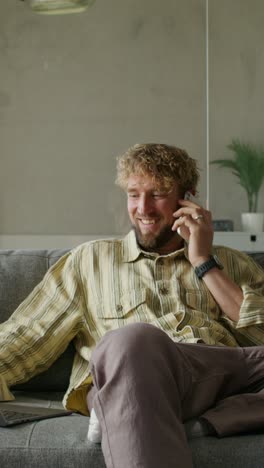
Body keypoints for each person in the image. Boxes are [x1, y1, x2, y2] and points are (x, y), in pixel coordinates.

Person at [1, 143, 264, 468]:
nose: (144, 208)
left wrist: (203, 261)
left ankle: (180, 415)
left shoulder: (230, 262)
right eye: (134, 194)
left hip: (216, 372)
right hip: (137, 366)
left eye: (158, 194)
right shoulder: (90, 261)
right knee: (133, 340)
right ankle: (147, 406)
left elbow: (260, 336)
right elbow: (28, 334)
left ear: (188, 197)